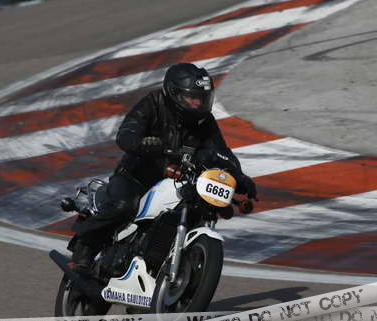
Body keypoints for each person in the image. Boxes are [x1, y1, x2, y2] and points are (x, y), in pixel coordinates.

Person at [67, 62, 257, 273]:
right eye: (192, 98)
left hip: (179, 179)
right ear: (174, 94)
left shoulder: (205, 121)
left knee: (198, 210)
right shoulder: (153, 103)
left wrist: (240, 177)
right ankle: (85, 249)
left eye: (202, 98)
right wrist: (142, 144)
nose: (198, 103)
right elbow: (126, 133)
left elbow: (221, 152)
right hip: (137, 175)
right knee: (123, 205)